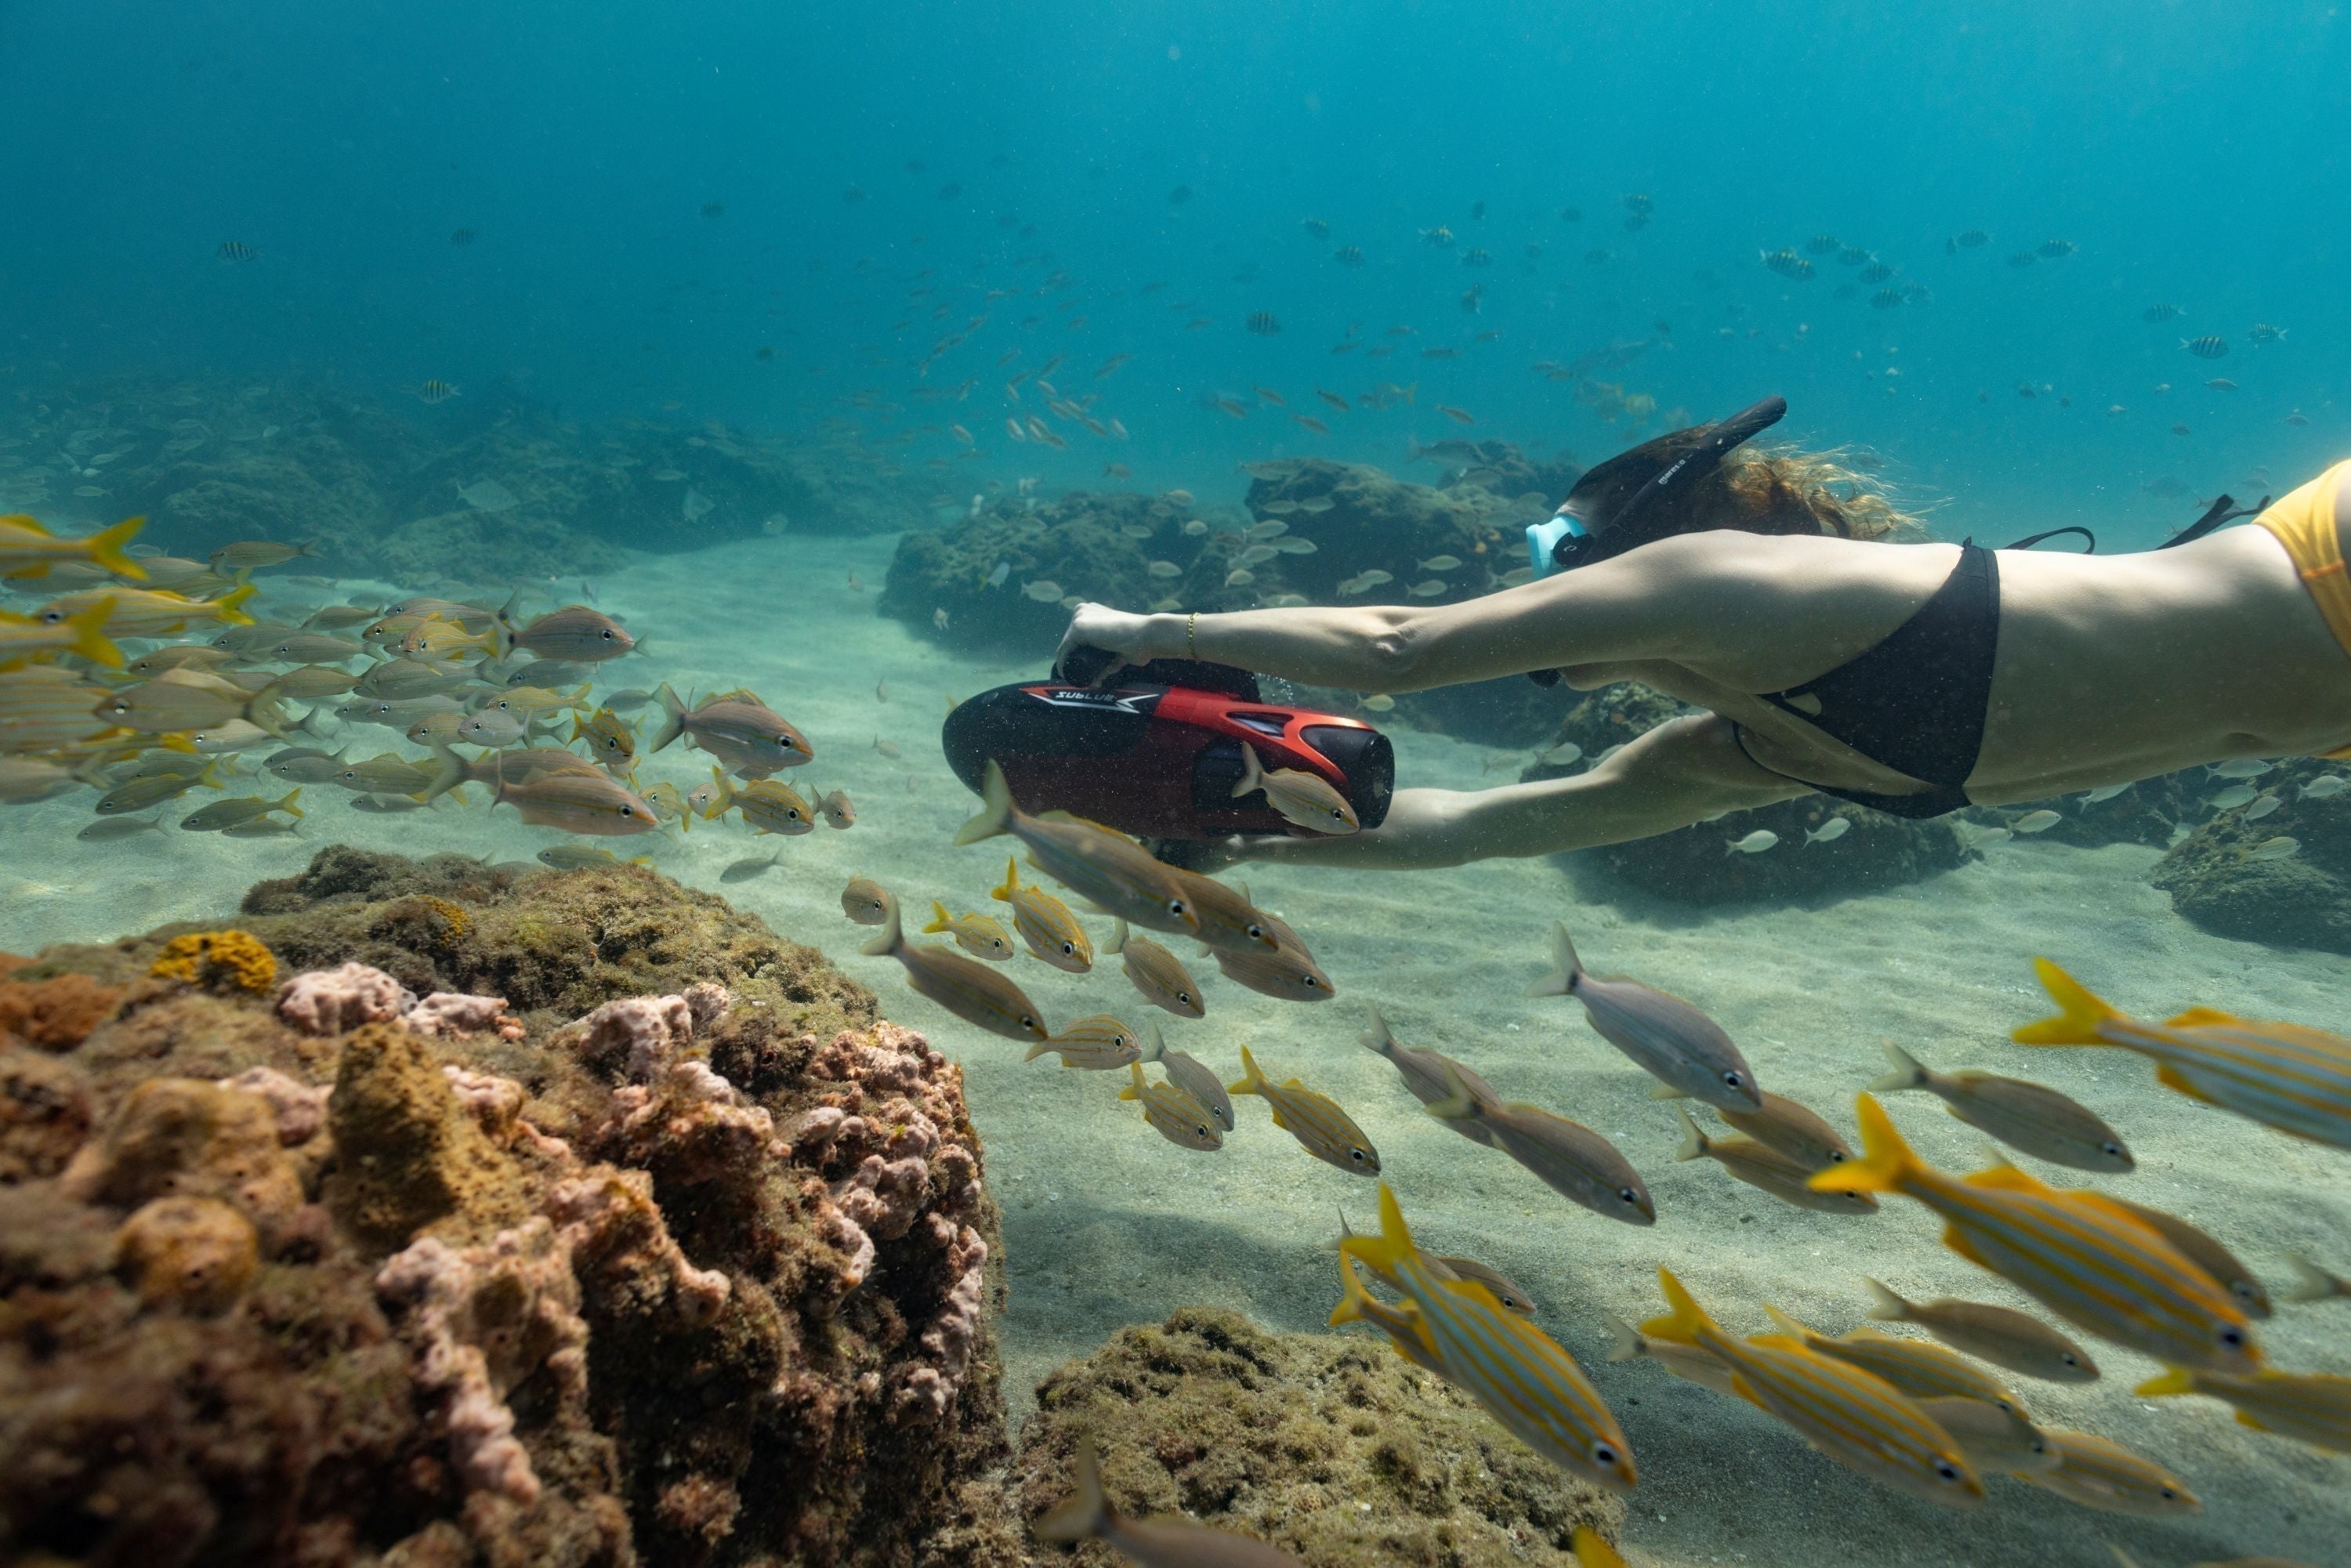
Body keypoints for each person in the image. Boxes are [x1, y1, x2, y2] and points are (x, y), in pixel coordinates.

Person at [1055, 399, 2351, 871]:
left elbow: (1403, 643)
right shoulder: (1758, 749)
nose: (1539, 585)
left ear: (1649, 540)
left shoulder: (1731, 575)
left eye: (1556, 551)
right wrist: (1243, 829)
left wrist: (1141, 626)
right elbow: (1493, 827)